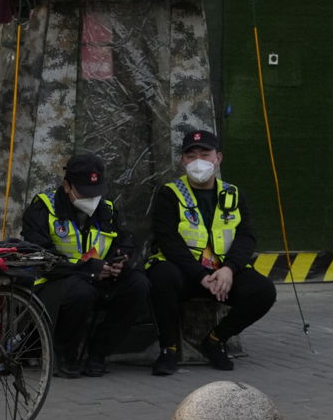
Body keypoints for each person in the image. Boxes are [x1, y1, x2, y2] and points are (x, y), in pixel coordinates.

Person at [147, 129, 277, 375]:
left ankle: (216, 340)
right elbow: (168, 240)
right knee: (161, 277)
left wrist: (229, 269)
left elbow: (246, 236)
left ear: (218, 158)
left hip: (222, 274)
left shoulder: (233, 193)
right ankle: (169, 349)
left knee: (263, 291)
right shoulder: (170, 193)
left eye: (205, 154)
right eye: (191, 155)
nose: (198, 161)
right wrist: (200, 275)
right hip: (186, 273)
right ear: (182, 160)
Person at [21, 153, 150, 378]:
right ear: (67, 186)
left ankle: (98, 353)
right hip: (56, 281)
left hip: (100, 275)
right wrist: (90, 269)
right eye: (84, 193)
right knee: (82, 292)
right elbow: (40, 254)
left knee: (138, 285)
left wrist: (120, 261)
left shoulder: (107, 208)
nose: (92, 199)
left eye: (96, 192)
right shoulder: (43, 207)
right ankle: (65, 356)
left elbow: (125, 243)